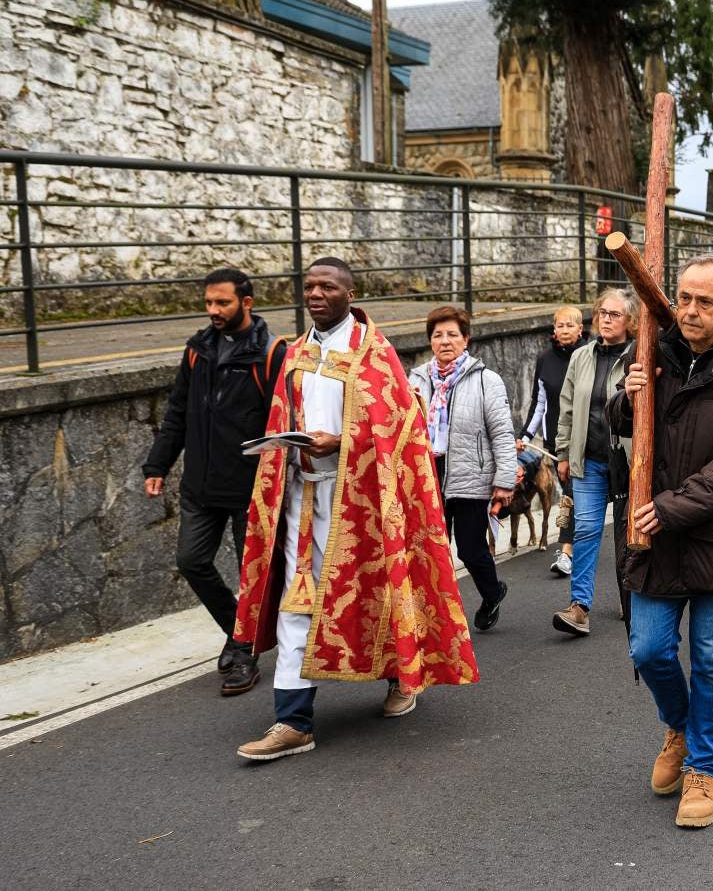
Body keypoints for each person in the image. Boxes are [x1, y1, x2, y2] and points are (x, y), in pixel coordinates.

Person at [233, 258, 479, 760]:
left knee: (379, 595)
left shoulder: (376, 355)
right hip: (302, 499)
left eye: (328, 286)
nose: (316, 294)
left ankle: (401, 678)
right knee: (295, 608)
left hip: (363, 500)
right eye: (309, 287)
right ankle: (292, 722)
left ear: (350, 293)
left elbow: (401, 429)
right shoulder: (295, 353)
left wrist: (342, 441)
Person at [609, 252, 713, 828]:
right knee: (649, 650)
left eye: (704, 301)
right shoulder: (652, 355)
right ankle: (679, 728)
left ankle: (703, 767)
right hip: (658, 539)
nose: (688, 310)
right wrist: (626, 398)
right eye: (682, 298)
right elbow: (623, 425)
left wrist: (672, 508)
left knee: (711, 661)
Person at [143, 268, 285, 697]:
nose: (213, 311)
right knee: (191, 561)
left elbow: (283, 422)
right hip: (200, 487)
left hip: (248, 488)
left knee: (251, 576)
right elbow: (178, 413)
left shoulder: (271, 353)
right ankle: (238, 633)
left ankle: (244, 653)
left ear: (247, 302)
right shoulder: (197, 350)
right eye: (208, 303)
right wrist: (157, 466)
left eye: (222, 303)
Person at [410, 306, 516, 632]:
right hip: (428, 474)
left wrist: (505, 480)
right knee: (430, 551)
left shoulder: (486, 380)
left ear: (465, 339)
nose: (445, 341)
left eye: (452, 334)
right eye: (438, 335)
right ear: (430, 341)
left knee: (470, 549)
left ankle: (492, 592)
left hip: (471, 474)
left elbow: (501, 431)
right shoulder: (414, 379)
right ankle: (438, 617)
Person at [550, 289, 637, 637]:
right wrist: (562, 452)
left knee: (627, 533)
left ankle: (631, 596)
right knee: (585, 529)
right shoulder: (582, 357)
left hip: (629, 461)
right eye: (602, 312)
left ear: (629, 320)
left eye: (614, 314)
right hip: (589, 460)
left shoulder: (638, 355)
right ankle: (579, 607)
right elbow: (567, 407)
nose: (606, 318)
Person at [521, 306, 586, 576]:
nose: (565, 330)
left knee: (574, 496)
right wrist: (525, 435)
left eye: (570, 325)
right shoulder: (545, 360)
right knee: (570, 495)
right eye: (560, 325)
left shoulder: (588, 355)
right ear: (554, 329)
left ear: (581, 329)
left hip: (585, 440)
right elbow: (540, 403)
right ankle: (575, 545)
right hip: (556, 443)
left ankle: (569, 550)